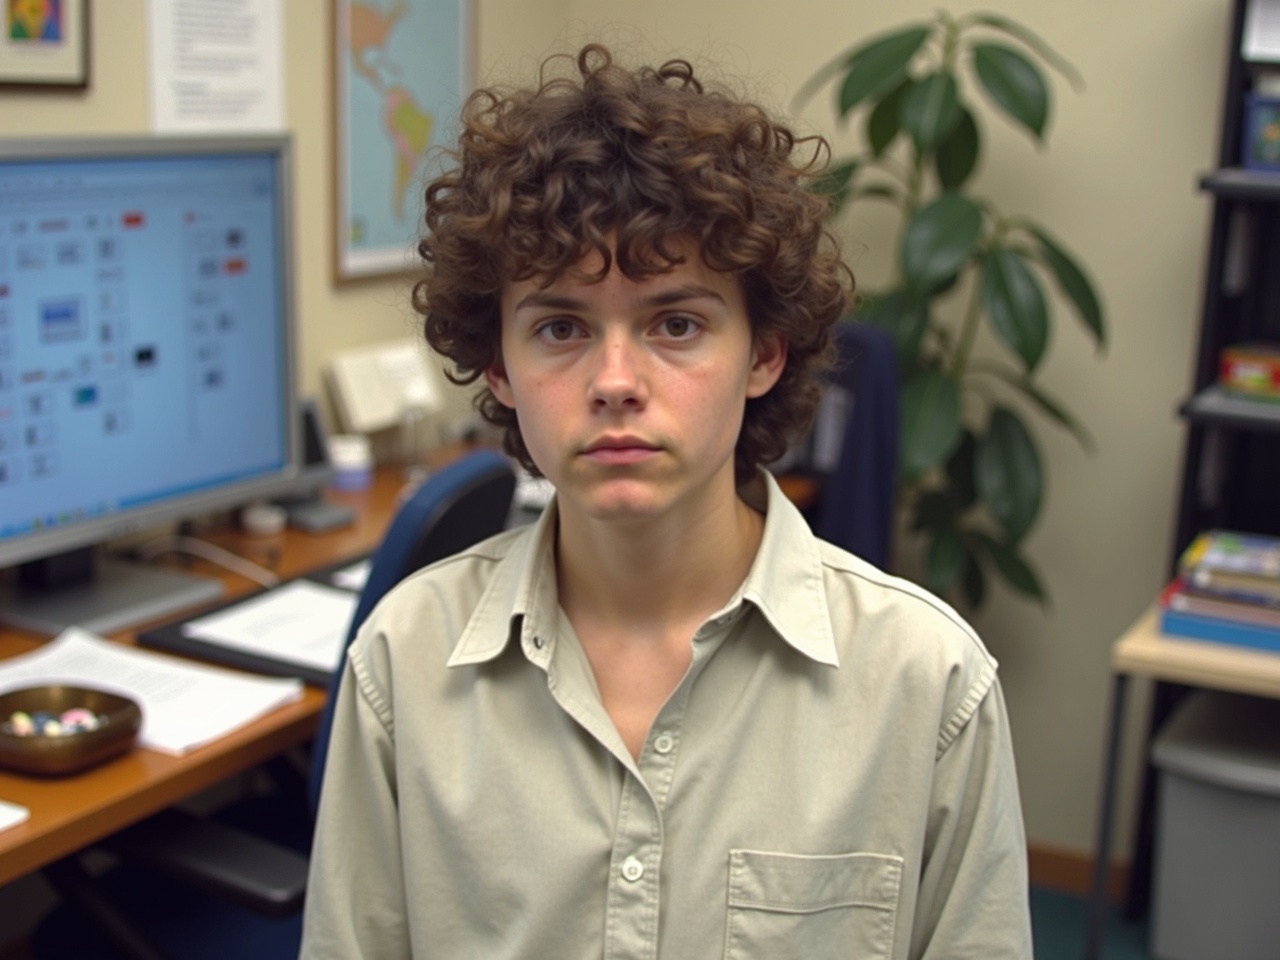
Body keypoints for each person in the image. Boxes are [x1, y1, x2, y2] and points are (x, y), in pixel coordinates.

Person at [300, 43, 1032, 960]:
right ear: (500, 366)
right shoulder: (400, 669)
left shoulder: (929, 687)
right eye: (560, 327)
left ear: (764, 353)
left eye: (676, 324)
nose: (615, 381)